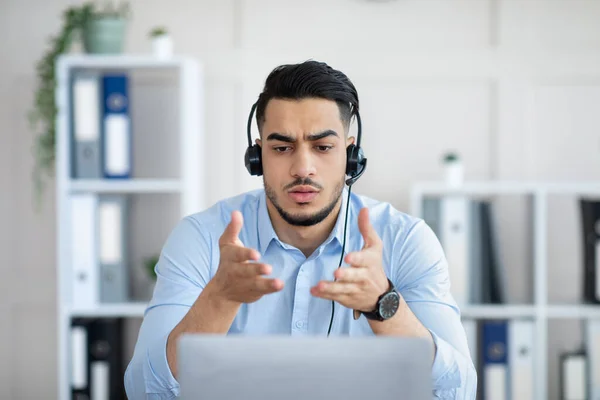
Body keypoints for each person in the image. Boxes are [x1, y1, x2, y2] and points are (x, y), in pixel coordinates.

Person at [124, 60, 477, 399]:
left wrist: (383, 304)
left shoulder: (406, 240)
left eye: (323, 147)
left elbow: (459, 391)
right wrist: (219, 299)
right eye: (281, 148)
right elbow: (143, 391)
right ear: (257, 156)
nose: (302, 168)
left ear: (351, 157)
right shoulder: (200, 238)